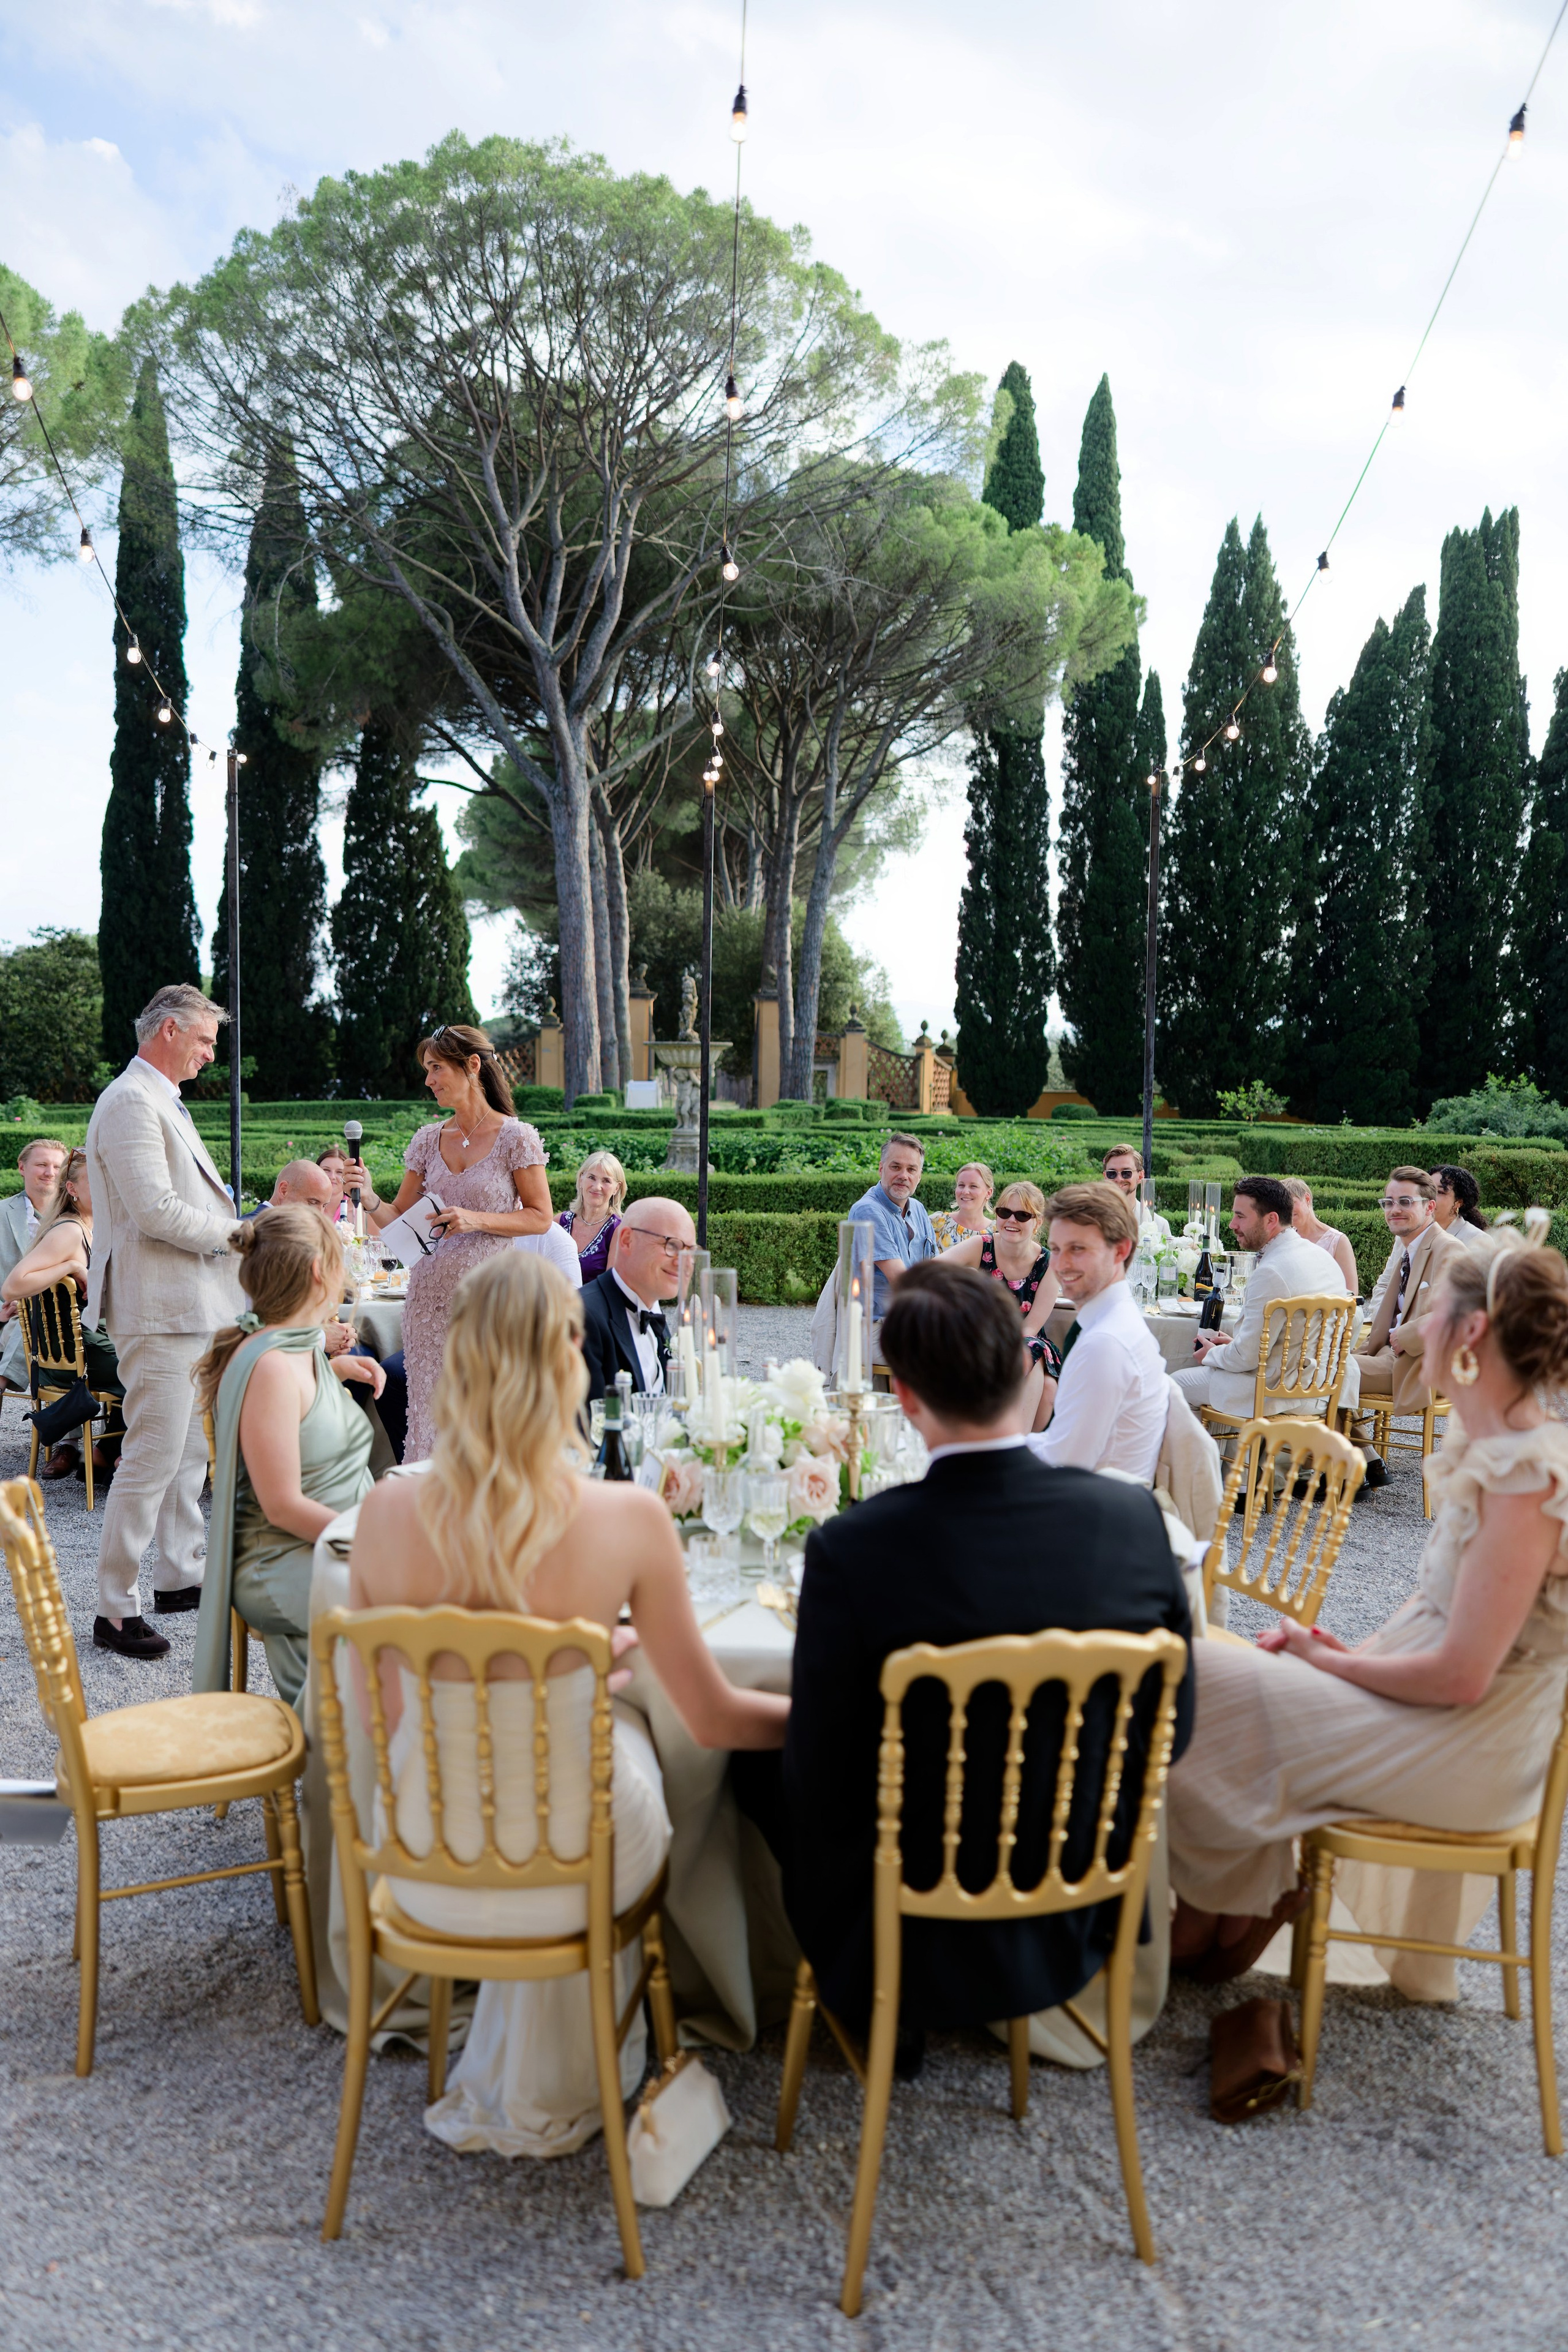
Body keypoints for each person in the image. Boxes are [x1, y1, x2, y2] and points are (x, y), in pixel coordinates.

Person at [349, 1251, 787, 2156]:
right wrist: (834, 1715)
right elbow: (715, 1721)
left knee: (565, 1752)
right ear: (567, 1360)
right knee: (645, 1759)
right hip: (574, 1853)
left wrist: (559, 1674)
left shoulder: (386, 1513)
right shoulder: (627, 1519)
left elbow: (392, 1719)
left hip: (423, 1843)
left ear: (458, 1357)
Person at [733, 1258, 1192, 2049]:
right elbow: (1169, 1735)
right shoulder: (1133, 1518)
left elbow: (824, 1768)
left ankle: (825, 1995)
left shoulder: (854, 1547)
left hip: (903, 1912)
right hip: (1083, 1906)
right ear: (1022, 1367)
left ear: (905, 1399)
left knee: (747, 1770)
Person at [1167, 1226, 1568, 1998]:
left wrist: (1330, 1663)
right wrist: (1341, 1658)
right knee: (1214, 1673)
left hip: (1464, 1743)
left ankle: (1212, 1918)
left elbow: (1459, 1675)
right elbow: (1434, 1616)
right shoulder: (1499, 1448)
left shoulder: (1526, 1477)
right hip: (1437, 1713)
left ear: (1472, 1333)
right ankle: (1219, 1915)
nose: (1420, 1332)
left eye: (1434, 1316)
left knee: (1193, 1673)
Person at [84, 984, 244, 1660]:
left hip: (184, 1304)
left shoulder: (154, 1098)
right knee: (150, 1456)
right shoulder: (129, 1100)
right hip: (157, 1309)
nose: (211, 1055)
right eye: (206, 1041)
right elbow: (155, 1211)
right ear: (171, 1030)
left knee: (188, 1453)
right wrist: (243, 1237)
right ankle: (114, 1609)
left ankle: (180, 1577)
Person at [192, 1206, 384, 1711]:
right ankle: (371, 1763)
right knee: (420, 1603)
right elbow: (282, 1507)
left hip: (322, 1542)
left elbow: (295, 1416)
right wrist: (378, 1542)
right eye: (344, 1262)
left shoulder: (294, 1345)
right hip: (284, 1556)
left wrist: (335, 1372)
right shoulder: (272, 1366)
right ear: (320, 1272)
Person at [344, 1023, 552, 1461]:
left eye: (436, 1068)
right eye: (427, 1069)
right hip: (428, 1305)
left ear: (472, 1066)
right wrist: (371, 1195)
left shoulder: (516, 1138)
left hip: (489, 1304)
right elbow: (397, 1220)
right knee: (428, 1417)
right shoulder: (426, 1140)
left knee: (483, 1415)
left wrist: (475, 1219)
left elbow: (540, 1216)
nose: (428, 1080)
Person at [1170, 1175, 1350, 1423]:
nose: (1232, 1224)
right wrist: (1234, 1346)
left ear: (1271, 1220)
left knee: (1173, 1386)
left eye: (1241, 1216)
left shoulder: (1271, 1270)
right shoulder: (1321, 1257)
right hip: (1322, 1388)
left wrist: (1212, 1354)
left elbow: (1246, 1358)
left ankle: (1206, 1462)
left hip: (1276, 1393)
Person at [1027, 1182, 1167, 1481]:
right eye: (1055, 1249)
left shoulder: (1105, 1343)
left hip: (1092, 1511)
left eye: (1077, 1249)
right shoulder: (1112, 1322)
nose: (1061, 1264)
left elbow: (1064, 1461)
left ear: (1121, 1250)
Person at [1, 1147, 125, 1483]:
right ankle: (122, 1458)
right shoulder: (69, 1231)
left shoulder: (96, 1225)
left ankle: (107, 1457)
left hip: (87, 1345)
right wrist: (71, 1265)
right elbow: (13, 1286)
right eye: (95, 1183)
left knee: (153, 1360)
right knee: (155, 1370)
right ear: (72, 1189)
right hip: (77, 1354)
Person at [1345, 1168, 1466, 1485]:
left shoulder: (1449, 1249)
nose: (1394, 1209)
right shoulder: (1408, 1248)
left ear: (1429, 1207)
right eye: (1388, 1202)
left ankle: (1345, 1468)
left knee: (1322, 1373)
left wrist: (1405, 1335)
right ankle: (1365, 1459)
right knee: (1319, 1365)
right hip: (1390, 1354)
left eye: (1404, 1201)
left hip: (1421, 1363)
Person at [939, 1180, 1061, 1428]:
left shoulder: (1049, 1264)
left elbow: (1031, 1327)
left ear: (1037, 1222)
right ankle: (1013, 1451)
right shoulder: (983, 1245)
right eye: (1004, 1212)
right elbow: (931, 1271)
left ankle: (1018, 1448)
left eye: (1022, 1215)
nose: (1011, 1221)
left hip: (1024, 1339)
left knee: (1046, 1383)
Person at [578, 1197, 696, 1400]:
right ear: (626, 1240)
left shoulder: (653, 1311)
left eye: (691, 1252)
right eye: (672, 1246)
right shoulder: (581, 1316)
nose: (684, 1262)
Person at [848, 1134, 938, 1351]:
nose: (903, 1176)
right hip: (877, 1326)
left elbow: (934, 1270)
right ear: (881, 1169)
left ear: (920, 1176)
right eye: (896, 1167)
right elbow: (902, 1281)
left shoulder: (918, 1209)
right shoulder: (868, 1210)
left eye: (911, 1170)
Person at [0, 1137, 69, 1396]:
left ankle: (1, 1382)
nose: (50, 1173)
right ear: (21, 1168)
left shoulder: (75, 1218)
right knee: (28, 1322)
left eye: (56, 1166)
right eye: (41, 1165)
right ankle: (69, 1437)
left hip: (64, 1317)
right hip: (9, 1319)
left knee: (32, 1318)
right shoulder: (0, 1213)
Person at [557, 1150, 626, 1281]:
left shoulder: (618, 1230)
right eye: (591, 1178)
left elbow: (611, 1286)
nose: (597, 1187)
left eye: (606, 1181)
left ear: (616, 1188)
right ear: (581, 1178)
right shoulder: (560, 1222)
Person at [1282, 1177, 1359, 1295]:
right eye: (1282, 1207)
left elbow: (1352, 1293)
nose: (1287, 1210)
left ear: (1307, 1199)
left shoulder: (1338, 1242)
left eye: (1291, 1203)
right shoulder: (1286, 1240)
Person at [1101, 1144, 1173, 1248]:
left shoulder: (1160, 1225)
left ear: (1140, 1176)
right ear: (1105, 1177)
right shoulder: (1090, 1221)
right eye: (1112, 1173)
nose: (1119, 1179)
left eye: (1126, 1173)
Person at [929, 1161, 995, 1251]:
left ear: (989, 1193)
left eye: (973, 1186)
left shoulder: (997, 1233)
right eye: (961, 1185)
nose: (965, 1191)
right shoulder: (936, 1224)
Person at [1431, 1163, 1488, 1245]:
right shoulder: (1413, 1234)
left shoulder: (1477, 1240)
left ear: (1459, 1203)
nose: (1430, 1197)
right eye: (1428, 1190)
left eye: (1440, 1192)